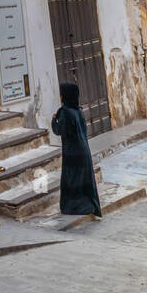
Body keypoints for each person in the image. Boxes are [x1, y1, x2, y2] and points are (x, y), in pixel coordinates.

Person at [51, 82, 101, 217]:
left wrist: (54, 121)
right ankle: (89, 206)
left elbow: (59, 131)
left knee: (72, 180)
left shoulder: (65, 112)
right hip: (84, 150)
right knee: (83, 180)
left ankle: (74, 207)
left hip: (72, 153)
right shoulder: (79, 111)